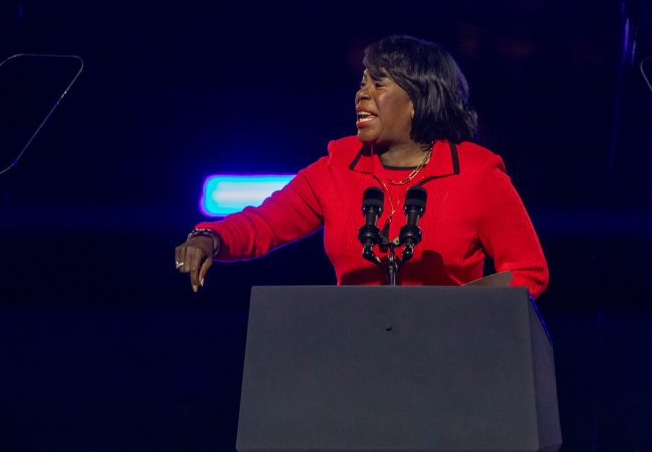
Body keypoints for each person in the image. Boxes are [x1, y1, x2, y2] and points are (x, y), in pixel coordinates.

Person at [174, 35, 549, 298]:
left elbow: (528, 272)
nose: (361, 93)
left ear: (417, 100)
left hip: (450, 360)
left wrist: (461, 317)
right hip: (355, 359)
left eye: (378, 84)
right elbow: (264, 223)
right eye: (361, 83)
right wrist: (212, 237)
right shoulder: (337, 170)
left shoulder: (476, 174)